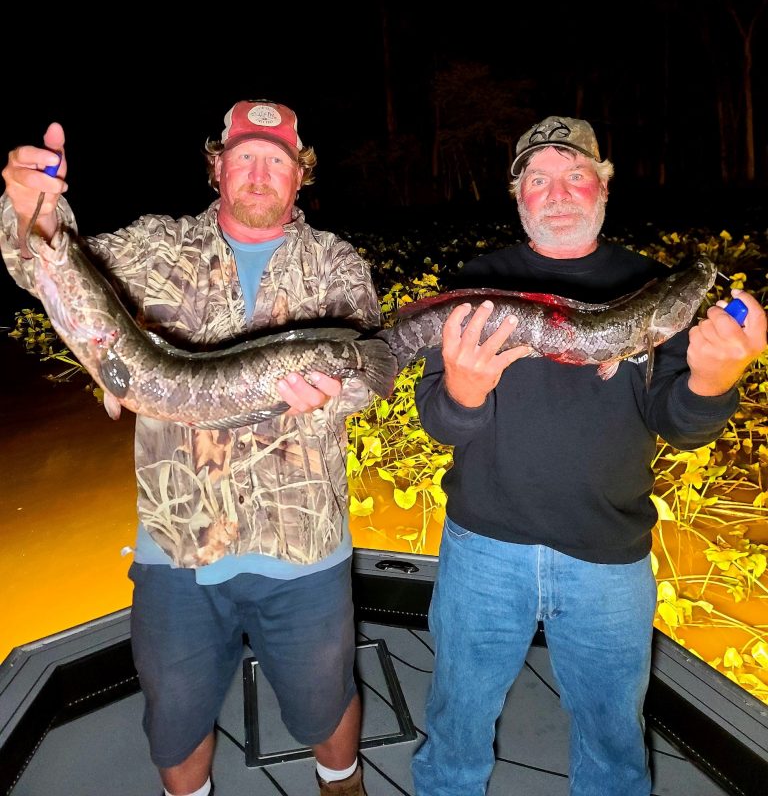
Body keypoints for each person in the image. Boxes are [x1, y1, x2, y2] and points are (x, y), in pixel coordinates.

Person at [1, 100, 380, 796]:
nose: (259, 173)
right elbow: (49, 268)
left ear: (300, 176)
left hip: (304, 546)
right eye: (244, 157)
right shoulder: (157, 245)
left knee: (327, 708)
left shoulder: (337, 263)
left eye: (277, 161)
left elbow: (368, 369)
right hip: (177, 545)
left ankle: (342, 781)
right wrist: (36, 215)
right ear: (217, 168)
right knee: (175, 728)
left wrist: (336, 390)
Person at [410, 116, 767, 796]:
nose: (558, 192)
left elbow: (678, 424)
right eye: (538, 178)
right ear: (518, 195)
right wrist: (462, 392)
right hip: (482, 548)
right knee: (455, 725)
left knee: (613, 745)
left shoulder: (651, 285)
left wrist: (714, 380)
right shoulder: (478, 283)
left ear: (603, 185)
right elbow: (439, 423)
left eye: (575, 174)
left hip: (609, 555)